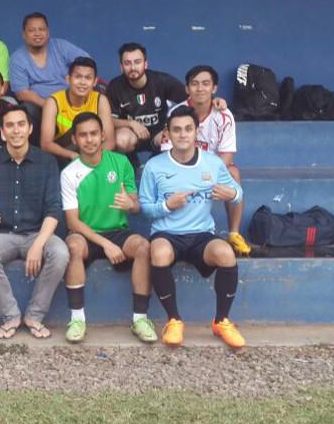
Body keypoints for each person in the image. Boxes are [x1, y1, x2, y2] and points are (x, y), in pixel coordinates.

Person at [137, 105, 246, 349]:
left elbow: (237, 193)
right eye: (176, 130)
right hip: (167, 234)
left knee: (226, 253)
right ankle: (174, 320)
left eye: (188, 129)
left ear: (196, 132)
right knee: (159, 252)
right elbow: (145, 208)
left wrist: (231, 193)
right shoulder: (155, 166)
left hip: (201, 235)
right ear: (167, 133)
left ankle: (221, 321)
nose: (183, 134)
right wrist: (167, 205)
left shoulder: (212, 163)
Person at [0, 105, 68, 339]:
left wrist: (38, 245)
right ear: (2, 132)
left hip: (37, 233)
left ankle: (34, 315)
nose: (16, 130)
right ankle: (10, 316)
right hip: (1, 235)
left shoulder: (46, 162)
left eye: (21, 124)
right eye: (10, 126)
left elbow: (54, 208)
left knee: (60, 253)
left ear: (30, 128)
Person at [60, 112, 154, 344]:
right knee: (72, 246)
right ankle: (77, 319)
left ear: (103, 135)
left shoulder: (121, 162)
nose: (89, 139)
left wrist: (130, 204)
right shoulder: (69, 173)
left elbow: (135, 205)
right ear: (74, 139)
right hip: (85, 232)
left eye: (94, 133)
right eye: (83, 135)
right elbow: (72, 222)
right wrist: (106, 244)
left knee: (143, 246)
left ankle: (140, 319)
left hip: (117, 230)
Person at [163, 65, 249, 256]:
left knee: (233, 174)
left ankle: (234, 234)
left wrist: (206, 175)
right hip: (181, 168)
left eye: (205, 83)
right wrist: (190, 174)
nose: (200, 88)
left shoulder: (224, 115)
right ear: (187, 88)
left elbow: (226, 155)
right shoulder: (176, 113)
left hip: (212, 170)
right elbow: (168, 153)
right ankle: (175, 232)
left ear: (214, 88)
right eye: (194, 84)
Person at [9, 12, 89, 142]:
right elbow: (22, 93)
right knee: (27, 108)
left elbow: (87, 63)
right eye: (32, 30)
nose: (37, 33)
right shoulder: (17, 59)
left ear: (48, 32)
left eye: (41, 29)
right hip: (40, 105)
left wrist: (75, 79)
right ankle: (39, 149)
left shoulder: (60, 46)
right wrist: (50, 105)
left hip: (70, 100)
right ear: (23, 34)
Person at [106, 42, 187, 155]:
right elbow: (108, 120)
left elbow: (190, 100)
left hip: (158, 134)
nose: (133, 67)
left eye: (137, 62)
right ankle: (129, 159)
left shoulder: (162, 81)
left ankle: (160, 160)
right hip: (132, 134)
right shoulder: (115, 86)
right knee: (121, 140)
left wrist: (169, 126)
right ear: (121, 67)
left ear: (145, 64)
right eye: (127, 63)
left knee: (173, 138)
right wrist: (131, 123)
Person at [40, 56, 115, 167]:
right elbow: (46, 143)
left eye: (88, 78)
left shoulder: (100, 100)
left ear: (95, 81)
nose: (83, 82)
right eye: (78, 77)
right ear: (68, 79)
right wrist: (72, 155)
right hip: (65, 154)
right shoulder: (53, 101)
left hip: (93, 153)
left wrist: (93, 157)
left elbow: (110, 141)